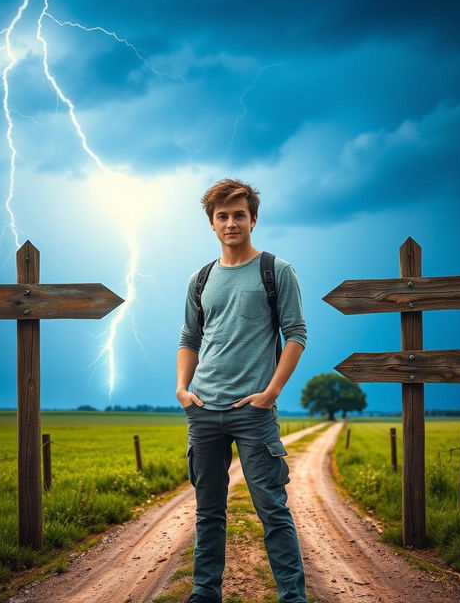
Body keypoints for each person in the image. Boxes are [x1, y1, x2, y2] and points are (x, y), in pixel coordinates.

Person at [176, 178, 308, 603]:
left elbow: (296, 334)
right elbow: (189, 338)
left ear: (253, 219)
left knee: (273, 510)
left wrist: (270, 393)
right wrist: (182, 389)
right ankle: (204, 591)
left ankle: (293, 595)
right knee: (208, 512)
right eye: (222, 216)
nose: (231, 222)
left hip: (253, 410)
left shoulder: (276, 271)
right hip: (203, 409)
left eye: (238, 215)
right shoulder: (200, 278)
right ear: (212, 225)